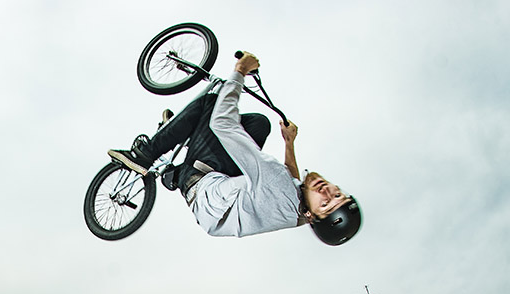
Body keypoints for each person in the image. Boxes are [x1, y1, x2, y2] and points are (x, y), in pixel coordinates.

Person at [109, 51, 360, 244]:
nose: (327, 192)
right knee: (259, 125)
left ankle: (144, 156)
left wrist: (239, 72)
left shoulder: (276, 183)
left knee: (212, 106)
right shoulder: (298, 214)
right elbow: (293, 180)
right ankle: (187, 137)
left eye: (326, 204)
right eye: (337, 195)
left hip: (201, 184)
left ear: (313, 217)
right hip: (217, 204)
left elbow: (223, 124)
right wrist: (289, 143)